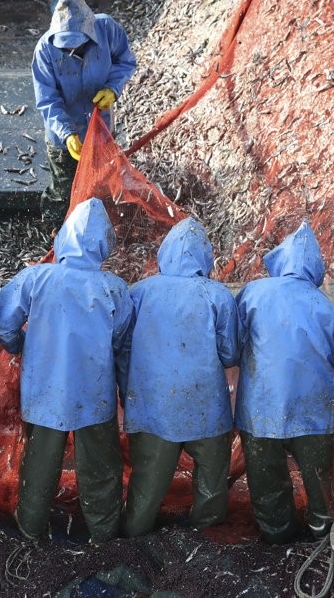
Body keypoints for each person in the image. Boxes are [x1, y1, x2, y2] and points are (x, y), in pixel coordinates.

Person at [0, 197, 133, 543]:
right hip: (94, 394)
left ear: (63, 238)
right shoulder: (114, 289)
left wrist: (21, 347)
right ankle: (103, 534)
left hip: (44, 392)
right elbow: (122, 345)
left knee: (39, 465)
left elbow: (4, 324)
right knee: (100, 468)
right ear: (104, 246)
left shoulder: (35, 278)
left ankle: (30, 529)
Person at [120, 218, 240, 537]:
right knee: (212, 483)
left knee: (147, 484)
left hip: (152, 405)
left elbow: (123, 345)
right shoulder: (218, 295)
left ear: (165, 253)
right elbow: (230, 353)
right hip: (206, 405)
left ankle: (135, 537)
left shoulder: (138, 292)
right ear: (206, 257)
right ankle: (207, 542)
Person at [235, 222, 334, 543]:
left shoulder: (253, 293)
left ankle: (277, 539)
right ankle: (324, 540)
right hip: (313, 410)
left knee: (267, 484)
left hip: (261, 409)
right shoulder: (327, 307)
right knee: (320, 482)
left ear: (280, 260)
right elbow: (330, 356)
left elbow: (233, 343)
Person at [32, 0, 137, 224]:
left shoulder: (108, 29)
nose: (72, 52)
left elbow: (125, 61)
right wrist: (67, 134)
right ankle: (55, 230)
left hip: (99, 129)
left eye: (77, 46)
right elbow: (47, 100)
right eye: (66, 48)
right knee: (63, 190)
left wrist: (112, 88)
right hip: (62, 135)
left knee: (99, 183)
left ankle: (95, 229)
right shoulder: (45, 50)